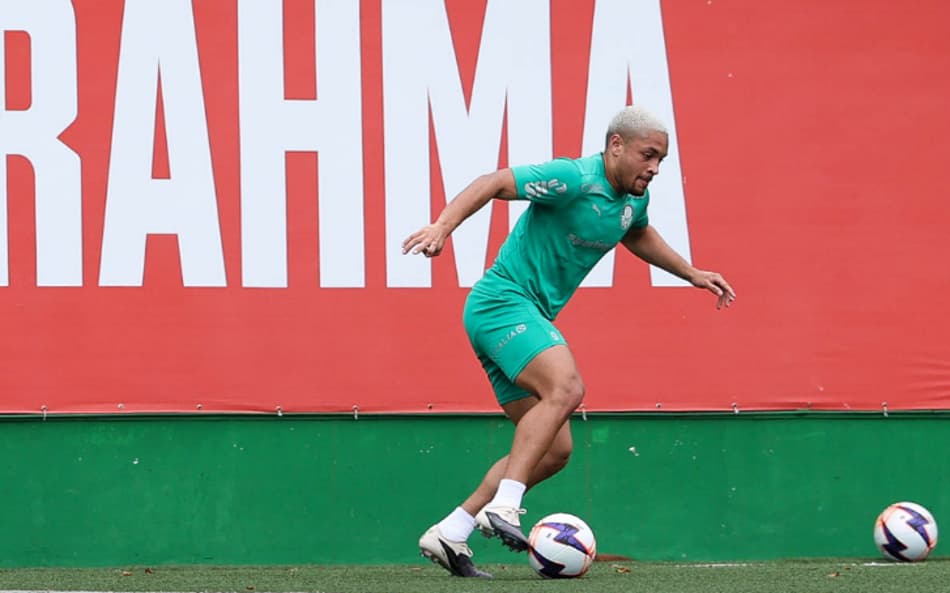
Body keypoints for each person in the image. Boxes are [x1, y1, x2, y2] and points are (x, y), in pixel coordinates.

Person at [403, 105, 736, 578]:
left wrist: (692, 274)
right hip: (502, 304)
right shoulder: (572, 178)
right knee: (567, 387)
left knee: (554, 450)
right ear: (616, 145)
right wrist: (442, 226)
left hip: (522, 316)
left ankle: (451, 531)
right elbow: (494, 181)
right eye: (648, 155)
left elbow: (636, 233)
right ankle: (505, 507)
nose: (655, 168)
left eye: (661, 160)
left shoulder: (632, 201)